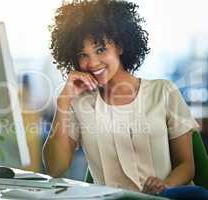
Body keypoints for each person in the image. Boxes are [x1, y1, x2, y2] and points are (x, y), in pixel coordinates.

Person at [43, 0, 204, 197]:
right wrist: (63, 102)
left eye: (101, 49)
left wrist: (164, 186)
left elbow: (186, 165)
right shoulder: (79, 104)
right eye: (83, 55)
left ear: (119, 45)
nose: (92, 63)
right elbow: (55, 168)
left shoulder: (163, 92)